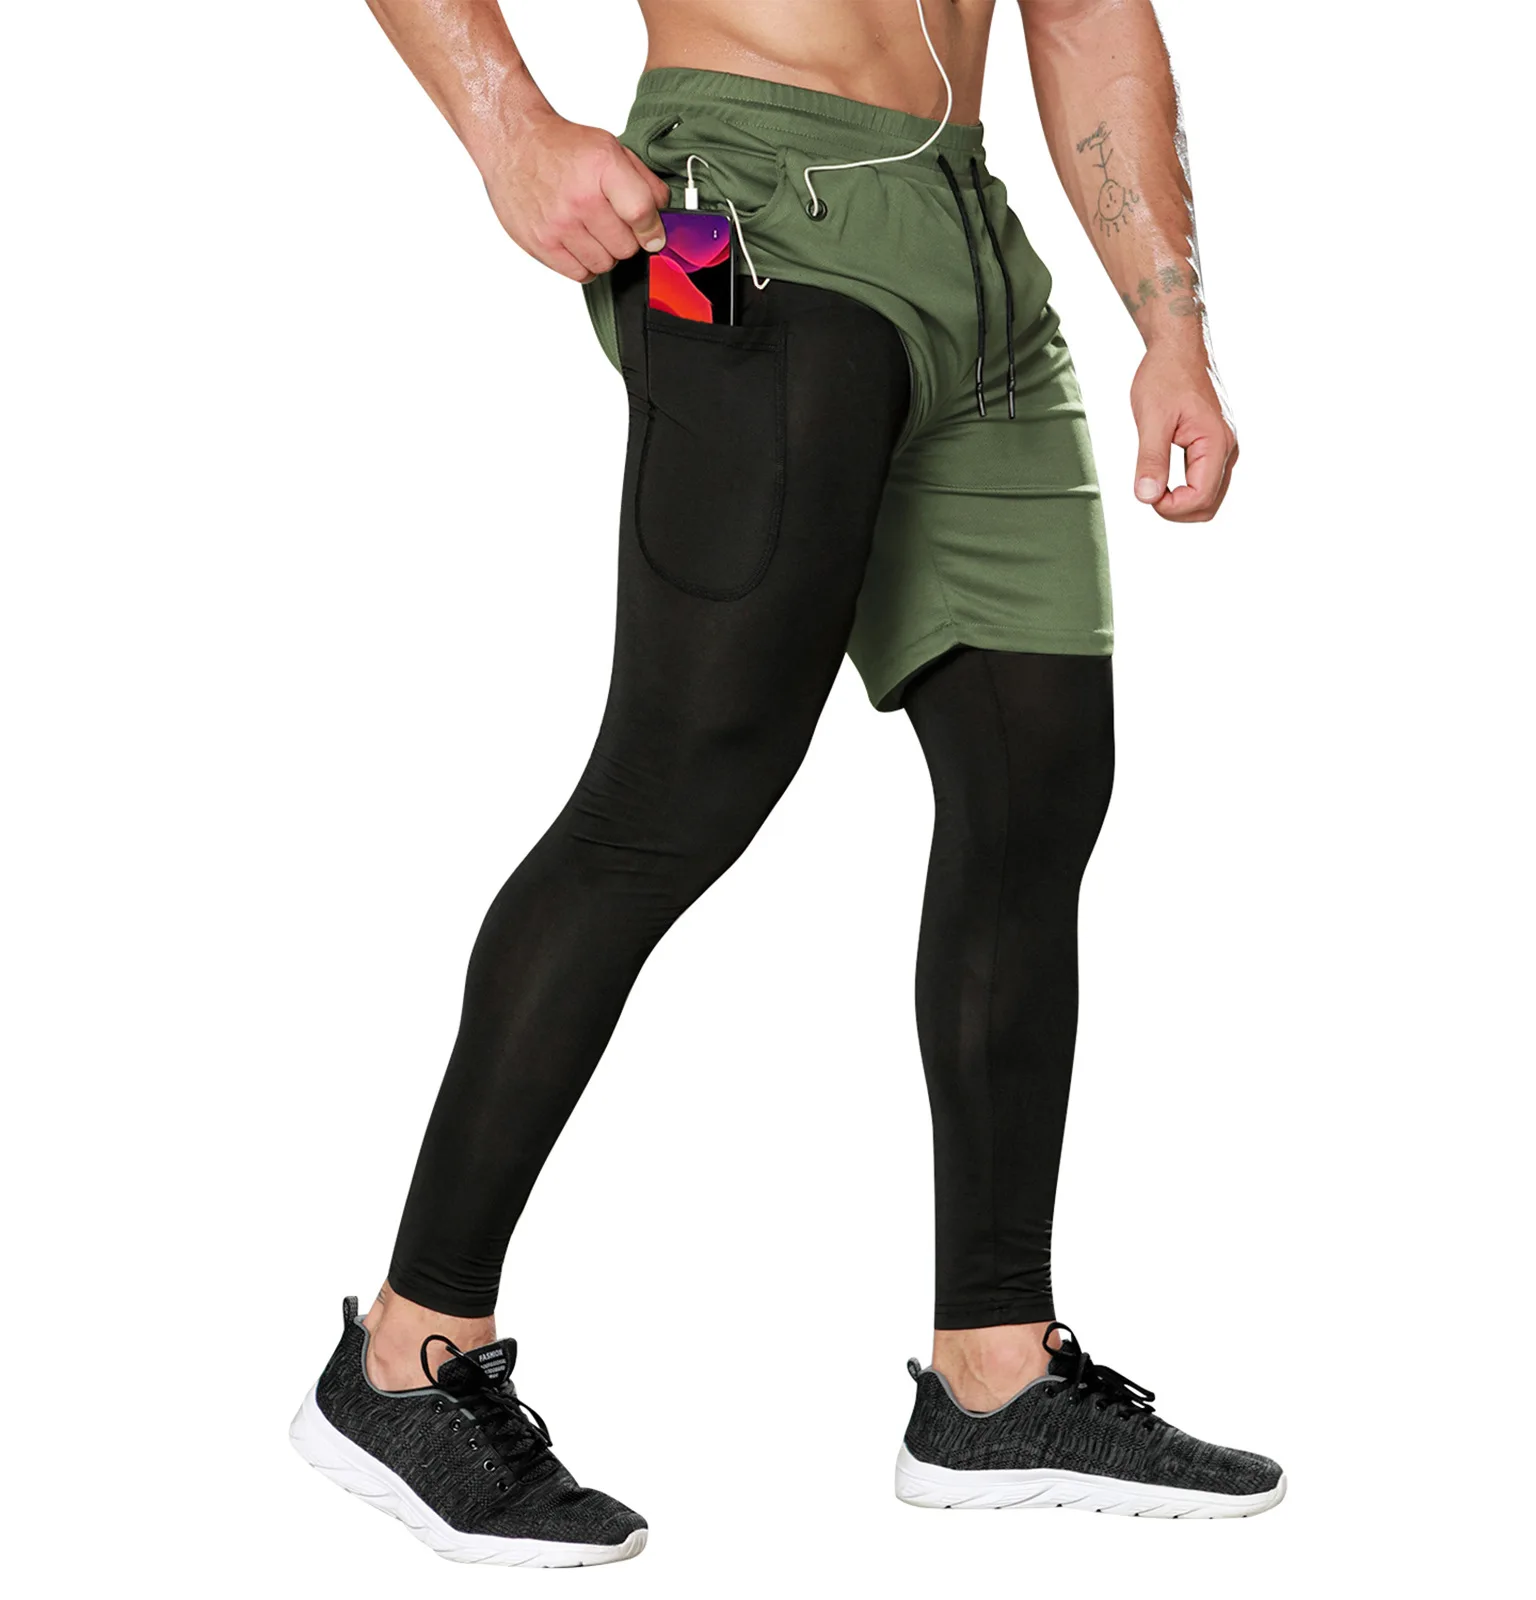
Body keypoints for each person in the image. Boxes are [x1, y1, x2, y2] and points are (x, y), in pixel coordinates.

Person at [289, 0, 1281, 1566]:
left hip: (973, 254)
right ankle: (407, 1355)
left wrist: (1173, 331)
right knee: (680, 784)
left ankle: (996, 1376)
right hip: (727, 216)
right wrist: (509, 129)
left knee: (1037, 784)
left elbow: (1088, 16)